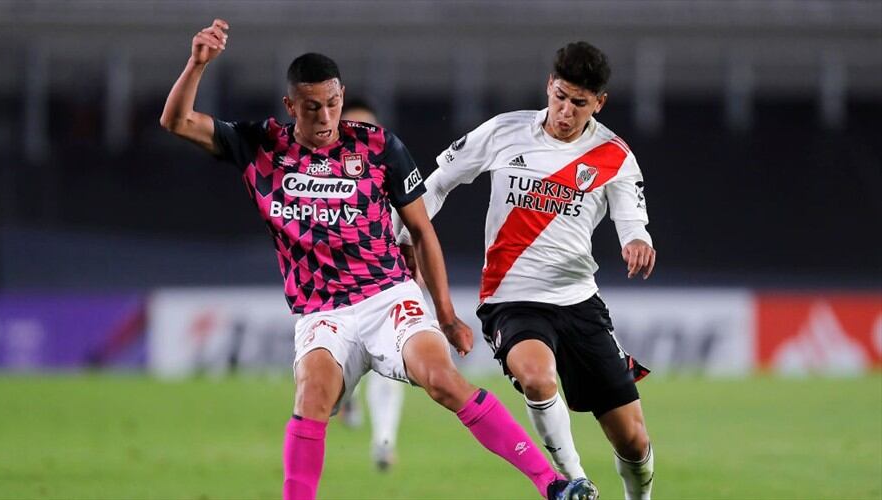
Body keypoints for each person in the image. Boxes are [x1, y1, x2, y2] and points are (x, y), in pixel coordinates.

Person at [160, 19, 595, 500]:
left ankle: (552, 484)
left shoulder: (376, 146)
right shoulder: (261, 145)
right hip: (321, 312)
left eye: (332, 103)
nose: (324, 117)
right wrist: (197, 64)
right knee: (312, 399)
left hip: (388, 297)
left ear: (341, 96)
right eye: (311, 108)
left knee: (444, 380)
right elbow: (176, 121)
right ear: (290, 106)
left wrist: (447, 316)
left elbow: (422, 230)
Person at [395, 41, 656, 500]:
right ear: (548, 87)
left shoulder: (614, 154)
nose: (565, 111)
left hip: (578, 301)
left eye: (579, 103)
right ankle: (575, 482)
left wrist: (638, 240)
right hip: (510, 298)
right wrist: (402, 237)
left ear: (599, 103)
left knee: (633, 440)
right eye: (559, 96)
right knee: (536, 377)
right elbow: (437, 182)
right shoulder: (504, 131)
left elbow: (632, 219)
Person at [336, 97, 407, 472]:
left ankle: (384, 442)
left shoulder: (391, 171)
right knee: (338, 369)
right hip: (331, 295)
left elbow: (414, 228)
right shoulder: (314, 181)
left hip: (384, 288)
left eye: (370, 129)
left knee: (390, 362)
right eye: (353, 129)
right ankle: (347, 396)